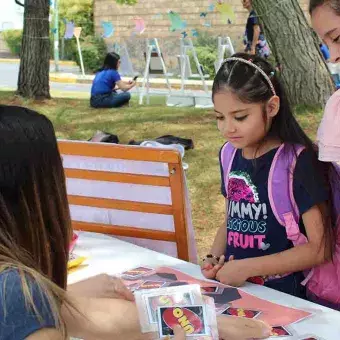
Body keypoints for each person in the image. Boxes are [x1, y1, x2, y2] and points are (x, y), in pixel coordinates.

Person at [0, 105, 271, 340]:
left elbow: (98, 316)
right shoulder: (15, 290)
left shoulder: (19, 290)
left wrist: (210, 321)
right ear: (29, 190)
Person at [201, 53, 333, 300]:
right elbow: (231, 219)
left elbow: (319, 248)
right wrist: (213, 258)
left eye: (240, 117)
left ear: (271, 107)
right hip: (236, 289)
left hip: (285, 297)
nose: (228, 127)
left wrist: (248, 267)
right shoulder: (228, 154)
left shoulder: (296, 161)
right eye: (219, 117)